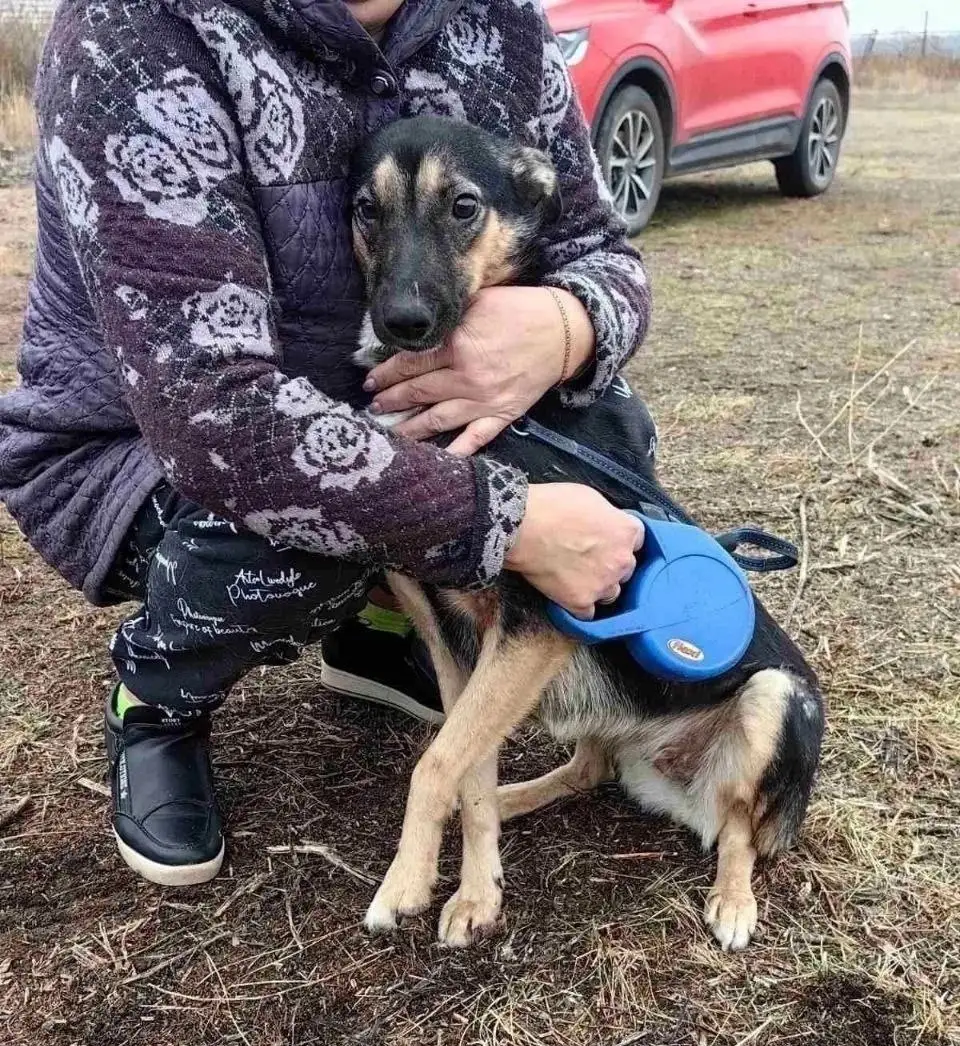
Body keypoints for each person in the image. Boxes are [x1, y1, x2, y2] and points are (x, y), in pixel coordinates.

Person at [0, 0, 654, 886]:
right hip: (147, 447)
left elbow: (600, 250)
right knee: (307, 542)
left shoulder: (500, 21)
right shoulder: (131, 31)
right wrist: (509, 525)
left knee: (613, 430)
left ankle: (377, 632)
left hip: (374, 407)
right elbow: (216, 418)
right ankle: (157, 694)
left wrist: (567, 327)